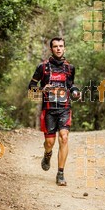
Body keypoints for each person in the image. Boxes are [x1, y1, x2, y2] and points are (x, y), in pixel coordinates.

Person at [28, 37, 77, 186]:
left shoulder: (70, 68)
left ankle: (60, 174)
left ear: (64, 48)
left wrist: (75, 92)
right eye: (55, 46)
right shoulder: (42, 67)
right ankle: (47, 154)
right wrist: (42, 89)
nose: (58, 49)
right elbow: (31, 86)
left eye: (61, 46)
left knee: (64, 137)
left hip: (64, 108)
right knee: (49, 143)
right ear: (51, 49)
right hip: (48, 110)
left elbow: (71, 85)